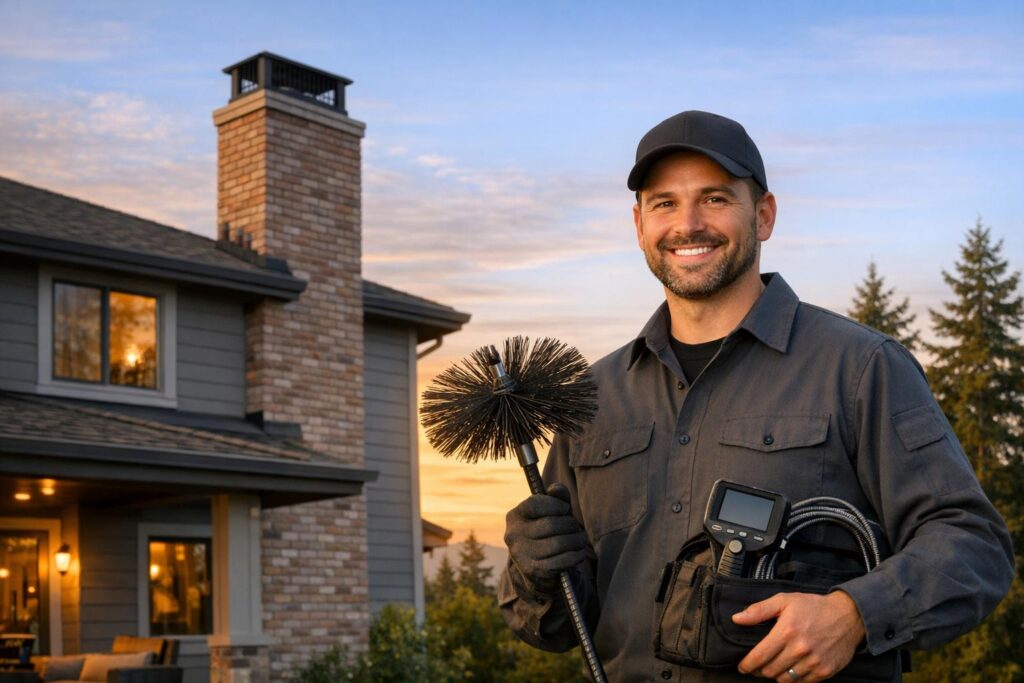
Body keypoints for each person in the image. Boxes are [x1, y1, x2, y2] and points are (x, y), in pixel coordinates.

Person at [498, 111, 1014, 682]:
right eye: (664, 203)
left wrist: (854, 615)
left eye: (715, 198)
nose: (688, 224)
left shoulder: (860, 368)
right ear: (638, 224)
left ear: (763, 215)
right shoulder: (590, 400)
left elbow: (975, 545)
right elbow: (555, 627)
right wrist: (535, 575)